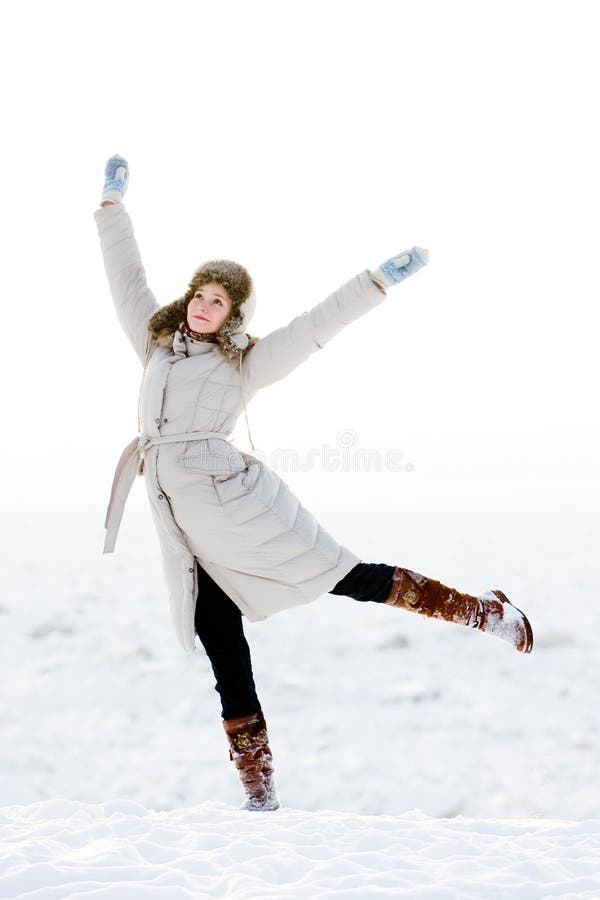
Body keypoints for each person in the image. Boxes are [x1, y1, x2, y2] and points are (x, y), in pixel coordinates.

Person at [95, 154, 533, 813]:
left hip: (241, 513)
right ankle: (260, 794)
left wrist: (378, 281)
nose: (205, 306)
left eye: (220, 300)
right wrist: (111, 205)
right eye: (200, 294)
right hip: (188, 537)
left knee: (350, 578)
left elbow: (315, 328)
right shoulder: (154, 344)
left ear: (233, 313)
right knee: (224, 653)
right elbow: (125, 275)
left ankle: (484, 614)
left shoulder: (242, 365)